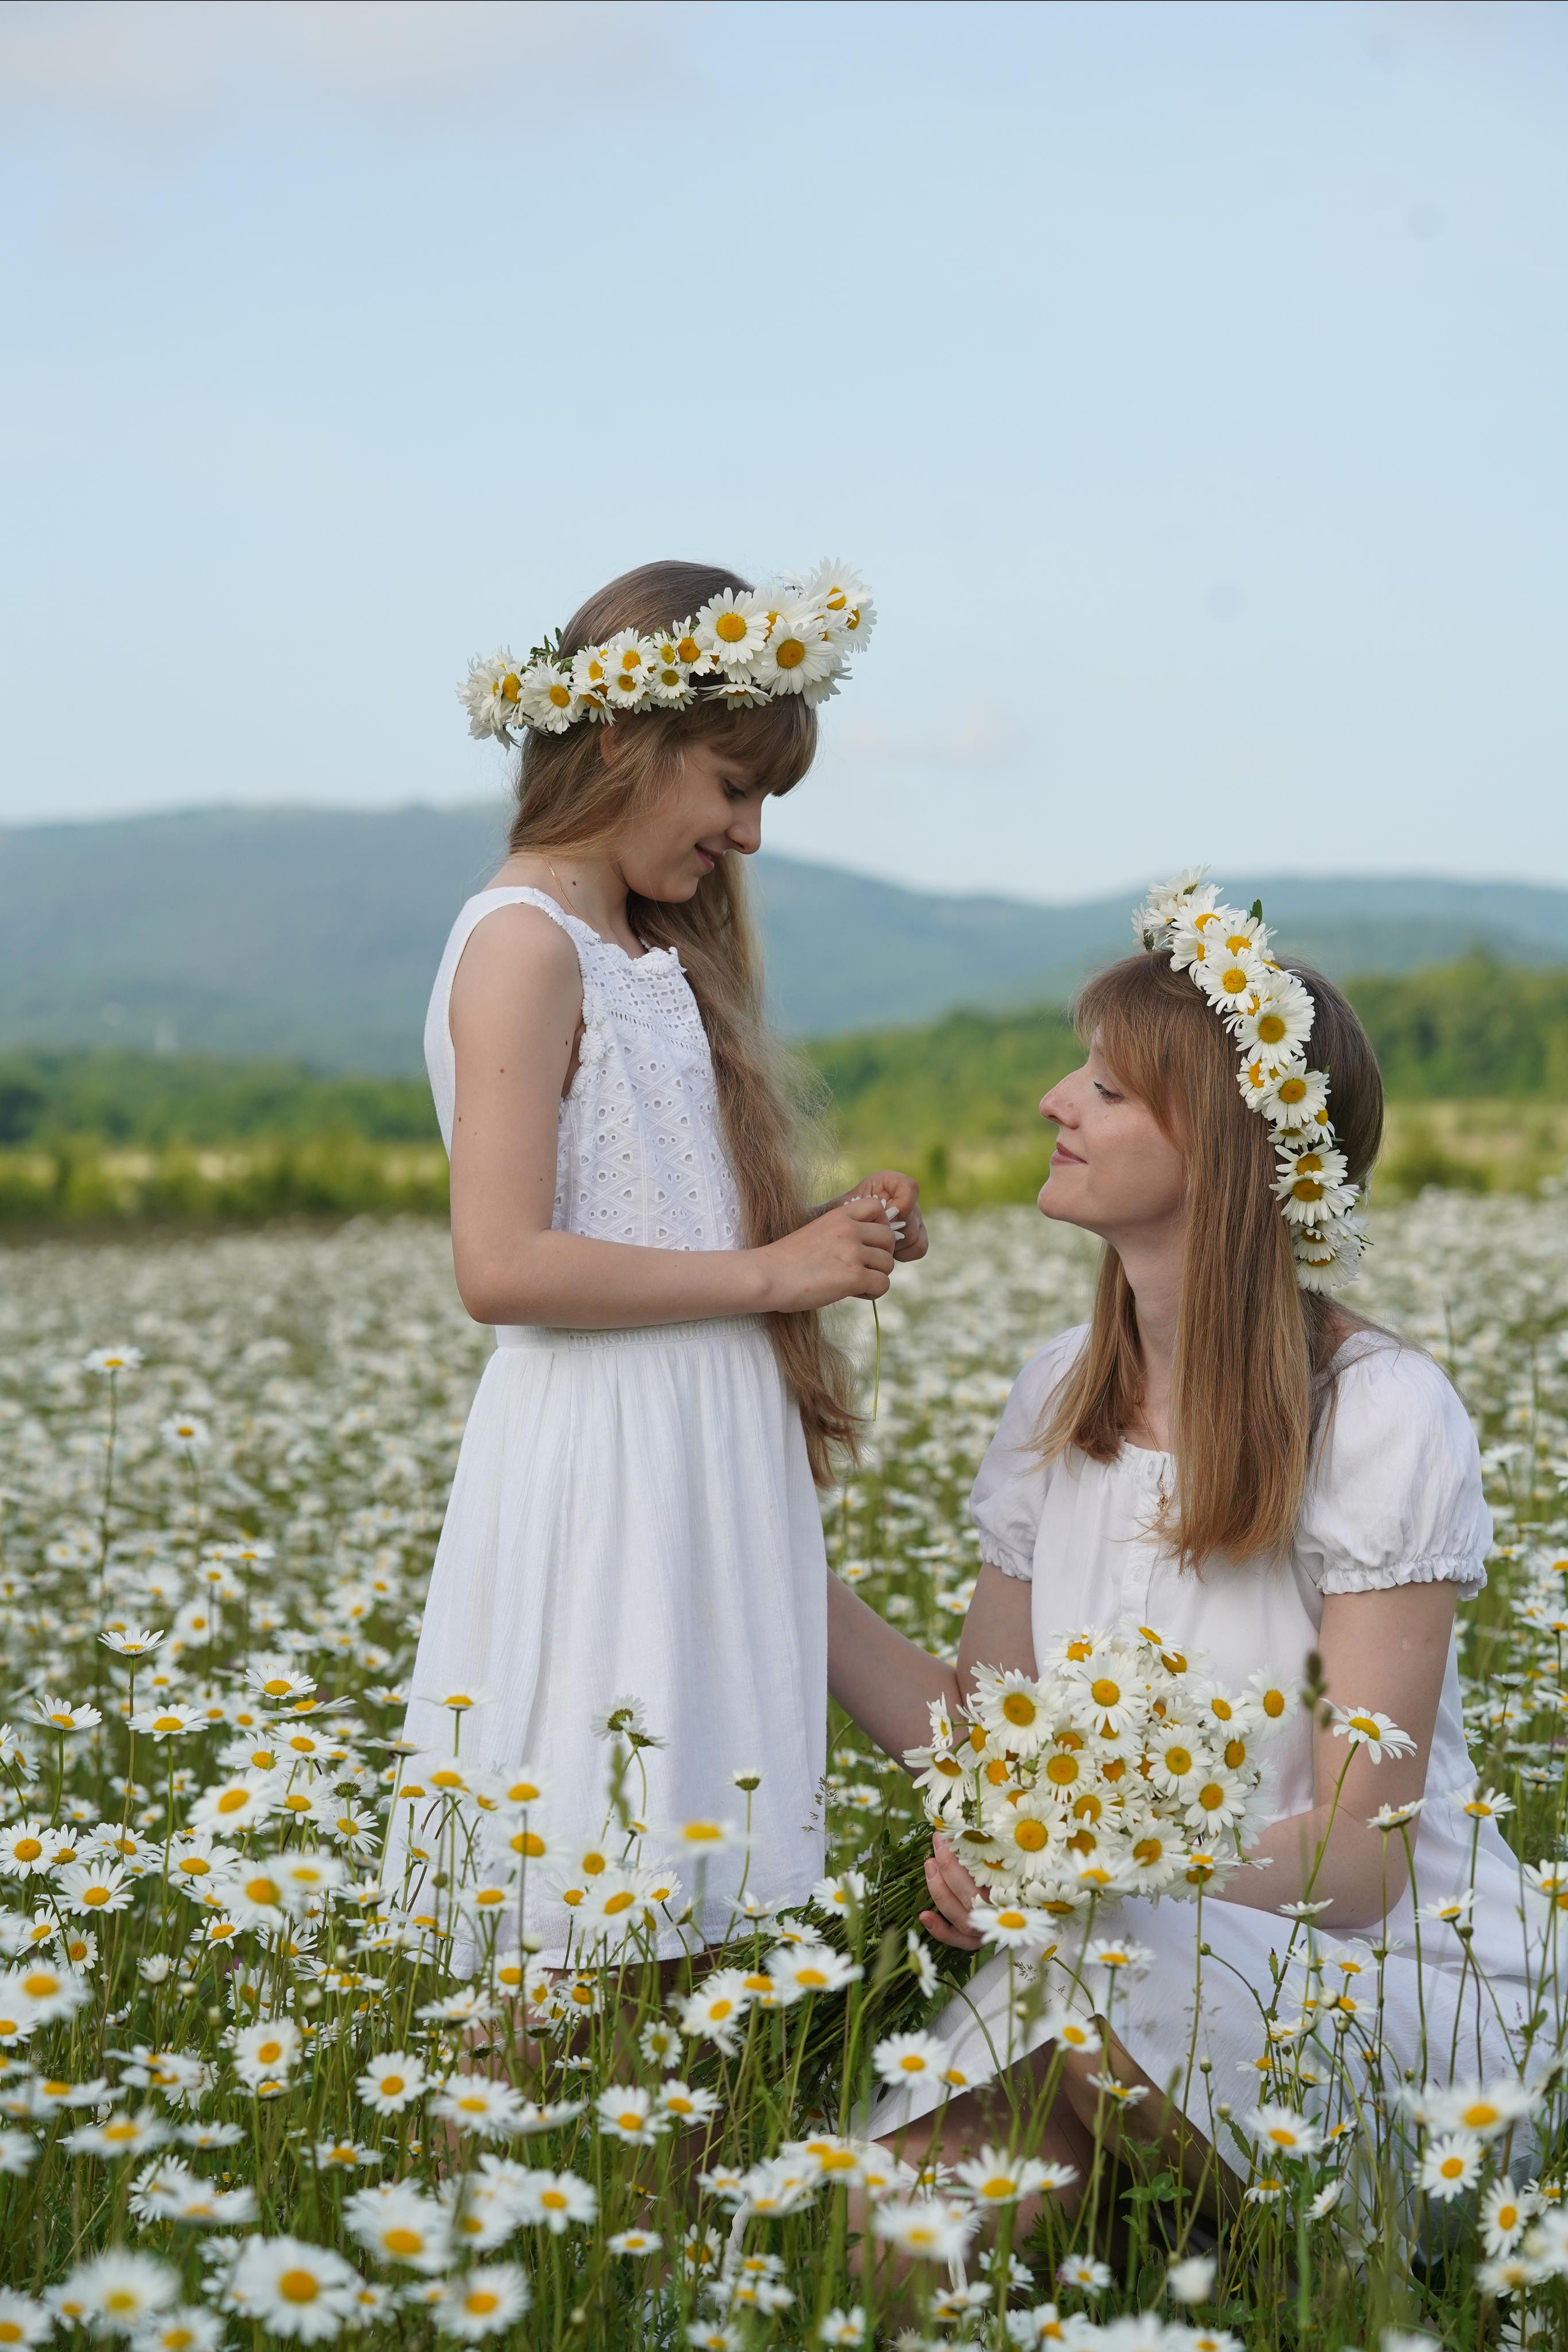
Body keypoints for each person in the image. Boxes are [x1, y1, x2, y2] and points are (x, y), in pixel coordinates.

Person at [828, 873, 1539, 2214]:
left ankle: (1360, 2287)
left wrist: (1080, 1866)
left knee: (1088, 2021)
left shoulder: (1376, 1413)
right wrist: (777, 1576)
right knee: (893, 2229)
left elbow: (1356, 1859)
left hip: (1379, 1979)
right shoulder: (1057, 1392)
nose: (1053, 1101)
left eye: (1103, 1088)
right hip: (1104, 1949)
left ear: (1214, 1142)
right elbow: (985, 1740)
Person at [388, 559, 927, 1964]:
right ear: (622, 740)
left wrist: (822, 1243)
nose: (745, 836)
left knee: (686, 1937)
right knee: (571, 1923)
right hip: (604, 1472)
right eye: (732, 790)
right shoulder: (522, 946)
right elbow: (501, 1267)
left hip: (693, 1462)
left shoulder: (639, 952)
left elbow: (657, 1215)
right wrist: (771, 1277)